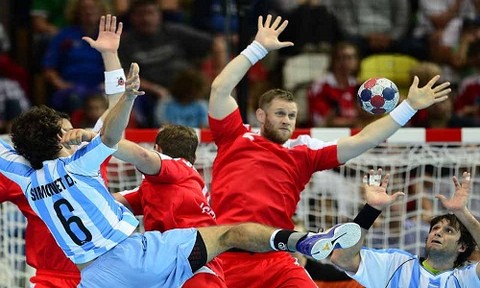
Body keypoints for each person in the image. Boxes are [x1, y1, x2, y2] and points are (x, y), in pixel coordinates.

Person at [0, 15, 361, 288]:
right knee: (230, 233)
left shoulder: (25, 175)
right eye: (66, 130)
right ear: (60, 141)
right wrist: (125, 93)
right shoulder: (85, 162)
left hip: (91, 276)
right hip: (133, 257)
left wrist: (110, 56)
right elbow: (112, 131)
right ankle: (304, 239)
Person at [207, 14, 451, 287]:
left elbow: (363, 140)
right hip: (224, 254)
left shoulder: (303, 152)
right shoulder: (234, 136)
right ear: (261, 115)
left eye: (292, 115)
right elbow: (219, 89)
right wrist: (257, 48)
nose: (287, 120)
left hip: (275, 257)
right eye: (280, 114)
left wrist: (409, 107)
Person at [114, 124, 227, 287]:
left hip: (190, 261)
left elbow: (142, 156)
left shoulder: (178, 166)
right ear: (194, 158)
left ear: (156, 149)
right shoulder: (166, 186)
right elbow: (112, 202)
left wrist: (100, 140)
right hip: (187, 262)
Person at [331, 170, 480, 287]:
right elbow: (342, 258)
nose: (438, 233)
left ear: (462, 246)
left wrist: (462, 213)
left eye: (449, 231)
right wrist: (371, 210)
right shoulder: (396, 264)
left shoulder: (466, 278)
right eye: (435, 228)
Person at [0, 115, 81, 288]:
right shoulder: (19, 175)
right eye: (61, 133)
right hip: (52, 277)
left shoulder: (87, 162)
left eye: (70, 131)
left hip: (100, 273)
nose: (68, 137)